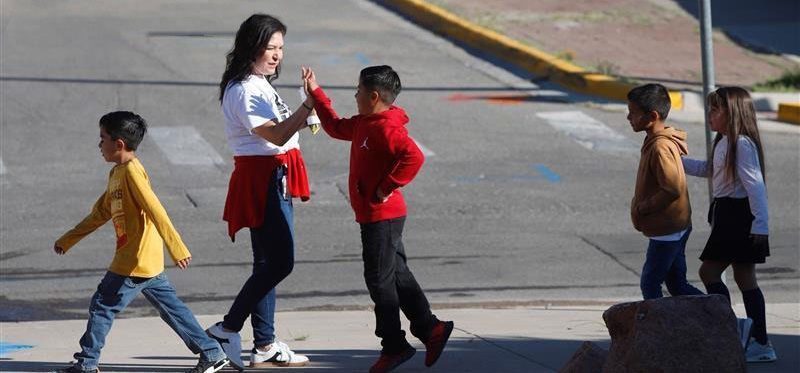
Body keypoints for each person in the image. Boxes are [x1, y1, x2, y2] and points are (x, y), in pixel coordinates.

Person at [52, 111, 230, 373]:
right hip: (145, 261)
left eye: (103, 139)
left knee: (102, 306)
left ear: (119, 144)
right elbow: (101, 213)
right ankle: (212, 353)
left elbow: (155, 209)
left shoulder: (132, 172)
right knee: (172, 310)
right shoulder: (117, 173)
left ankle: (87, 363)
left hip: (133, 260)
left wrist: (177, 247)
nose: (99, 144)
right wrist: (69, 239)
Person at [303, 65, 454, 373]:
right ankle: (431, 329)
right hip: (378, 215)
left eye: (358, 90)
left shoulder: (386, 128)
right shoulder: (364, 123)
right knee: (396, 275)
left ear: (373, 96)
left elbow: (414, 156)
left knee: (379, 280)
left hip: (382, 216)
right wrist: (316, 93)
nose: (355, 95)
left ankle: (394, 345)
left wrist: (385, 187)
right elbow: (333, 126)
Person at [203, 14, 312, 371]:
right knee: (281, 262)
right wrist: (309, 105)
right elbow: (276, 135)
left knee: (267, 264)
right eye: (271, 47)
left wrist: (304, 113)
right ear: (252, 46)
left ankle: (264, 343)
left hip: (274, 175)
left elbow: (284, 132)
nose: (278, 55)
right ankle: (227, 328)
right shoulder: (245, 89)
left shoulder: (259, 82)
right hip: (262, 180)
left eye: (281, 47)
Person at [682, 86, 777, 363]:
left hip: (739, 217)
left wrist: (760, 224)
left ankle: (739, 333)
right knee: (743, 278)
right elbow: (710, 170)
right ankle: (758, 340)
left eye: (715, 109)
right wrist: (676, 159)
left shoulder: (741, 144)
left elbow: (755, 186)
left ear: (732, 114)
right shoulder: (723, 141)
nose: (709, 114)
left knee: (709, 272)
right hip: (728, 214)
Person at [626, 83, 704, 300]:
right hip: (671, 226)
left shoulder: (660, 147)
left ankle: (718, 316)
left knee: (650, 284)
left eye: (633, 113)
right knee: (677, 284)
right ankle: (717, 316)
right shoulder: (654, 141)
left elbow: (671, 188)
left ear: (652, 116)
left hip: (667, 229)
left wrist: (644, 207)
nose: (628, 117)